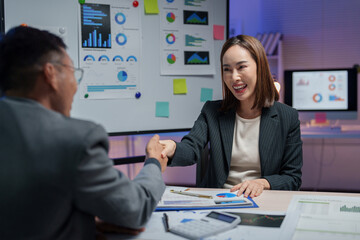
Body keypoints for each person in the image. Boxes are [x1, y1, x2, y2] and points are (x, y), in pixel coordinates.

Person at [0, 26, 168, 240]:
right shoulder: (74, 138)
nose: (75, 87)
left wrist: (81, 224)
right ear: (50, 74)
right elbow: (134, 209)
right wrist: (154, 163)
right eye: (73, 73)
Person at [161, 35, 303, 198]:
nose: (234, 77)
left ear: (260, 67)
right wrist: (172, 147)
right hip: (218, 199)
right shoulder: (212, 111)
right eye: (227, 69)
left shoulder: (288, 117)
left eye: (241, 67)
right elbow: (191, 148)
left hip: (263, 199)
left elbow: (292, 178)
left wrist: (262, 183)